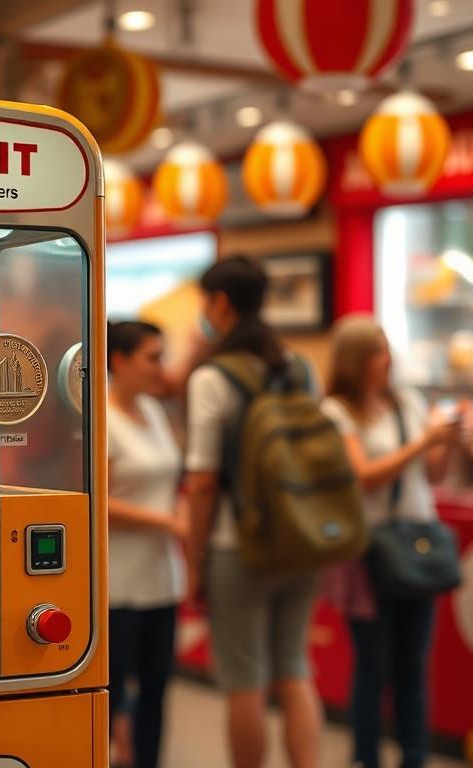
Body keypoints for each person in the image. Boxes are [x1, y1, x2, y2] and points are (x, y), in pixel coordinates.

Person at [183, 256, 324, 768]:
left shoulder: (213, 377)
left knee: (244, 680)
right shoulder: (301, 368)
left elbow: (202, 482)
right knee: (293, 668)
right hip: (301, 539)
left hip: (236, 545)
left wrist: (194, 560)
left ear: (220, 303)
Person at [321, 315, 463, 768]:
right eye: (378, 351)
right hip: (371, 548)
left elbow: (434, 474)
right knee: (373, 665)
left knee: (413, 665)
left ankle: (414, 756)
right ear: (356, 359)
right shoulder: (337, 412)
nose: (388, 359)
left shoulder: (408, 402)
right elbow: (363, 477)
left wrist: (448, 440)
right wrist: (423, 442)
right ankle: (367, 756)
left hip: (416, 539)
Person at [106, 320, 188, 768]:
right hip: (118, 583)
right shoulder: (101, 418)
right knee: (112, 690)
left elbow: (172, 481)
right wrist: (166, 522)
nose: (161, 367)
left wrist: (179, 516)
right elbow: (95, 503)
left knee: (157, 689)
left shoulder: (155, 412)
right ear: (119, 360)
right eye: (152, 357)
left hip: (162, 576)